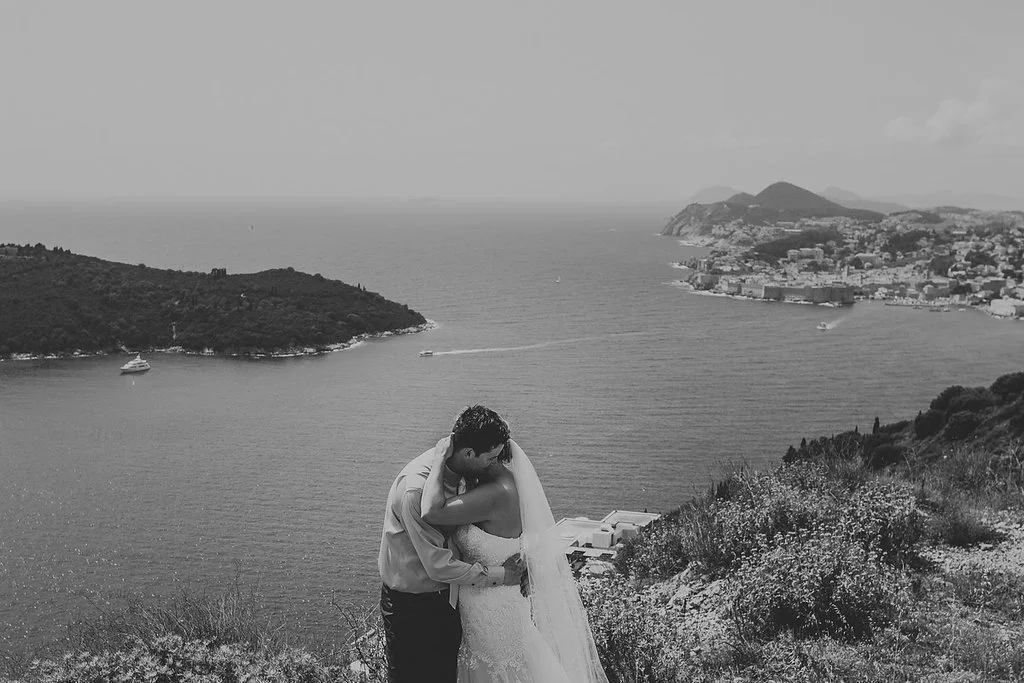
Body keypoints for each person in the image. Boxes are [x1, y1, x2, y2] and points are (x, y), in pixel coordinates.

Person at [421, 406, 609, 683]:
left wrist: (439, 459)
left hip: (493, 612)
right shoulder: (501, 481)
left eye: (492, 457)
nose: (490, 461)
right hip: (487, 606)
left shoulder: (497, 493)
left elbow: (432, 512)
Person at [378, 408, 526, 683]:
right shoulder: (416, 491)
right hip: (411, 607)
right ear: (468, 453)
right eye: (490, 458)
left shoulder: (467, 475)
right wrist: (502, 574)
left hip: (450, 601)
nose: (495, 465)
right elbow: (438, 565)